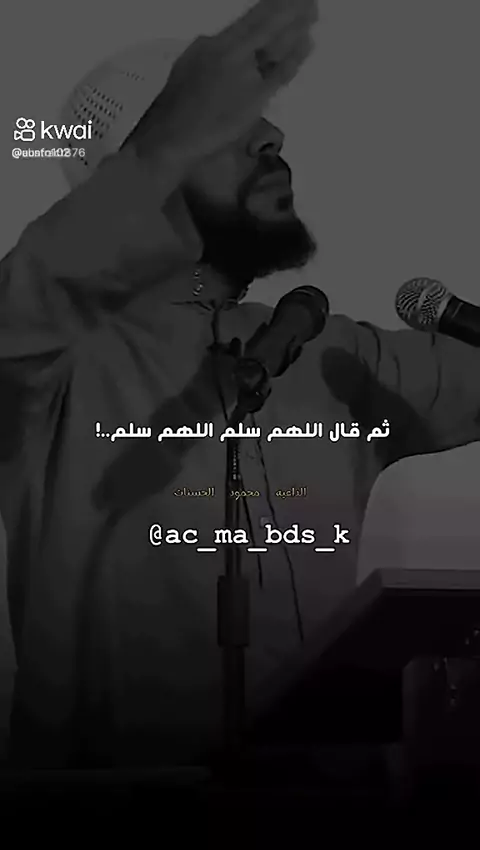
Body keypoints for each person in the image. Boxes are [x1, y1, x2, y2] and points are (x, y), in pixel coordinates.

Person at [1, 0, 480, 770]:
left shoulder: (331, 351)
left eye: (265, 122)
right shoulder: (55, 365)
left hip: (324, 811)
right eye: (231, 129)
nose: (273, 139)